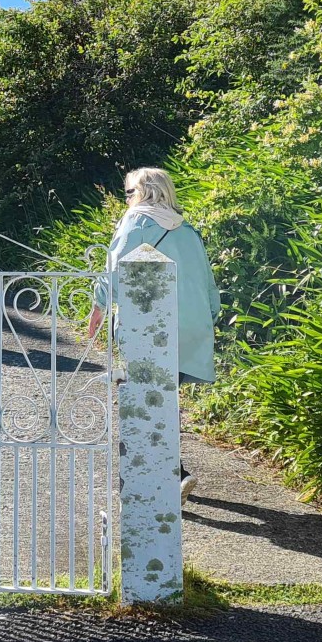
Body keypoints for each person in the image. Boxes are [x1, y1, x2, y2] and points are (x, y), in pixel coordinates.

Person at [86, 167, 221, 502]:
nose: (127, 200)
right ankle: (171, 471)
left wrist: (99, 306)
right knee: (163, 396)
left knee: (142, 398)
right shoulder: (188, 230)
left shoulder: (137, 222)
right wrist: (205, 321)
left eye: (129, 193)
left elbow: (114, 270)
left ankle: (148, 481)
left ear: (144, 193)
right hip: (191, 324)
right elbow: (209, 288)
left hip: (150, 325)